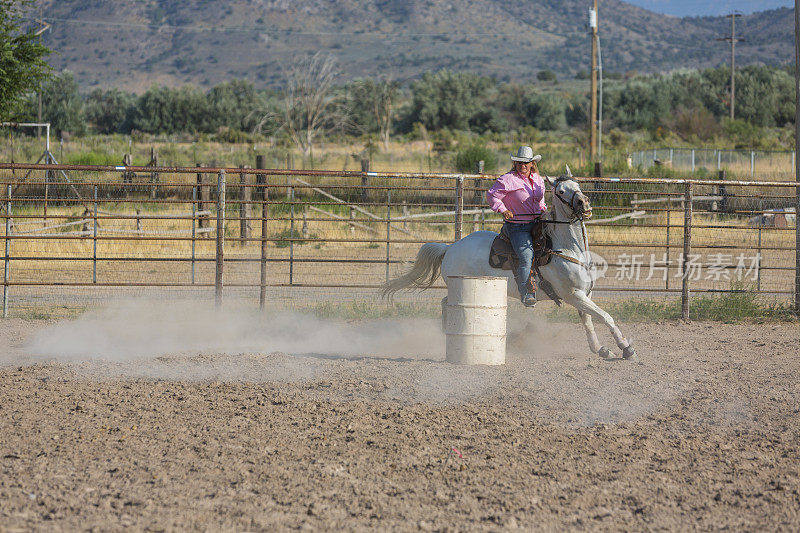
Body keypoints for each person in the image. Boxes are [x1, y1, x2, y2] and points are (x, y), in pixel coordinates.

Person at [486, 145, 547, 307]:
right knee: (526, 257)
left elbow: (540, 201)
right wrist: (503, 209)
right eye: (519, 162)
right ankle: (526, 292)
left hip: (537, 223)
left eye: (526, 162)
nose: (523, 165)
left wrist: (543, 210)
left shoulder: (538, 180)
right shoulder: (507, 179)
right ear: (515, 163)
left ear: (532, 163)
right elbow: (492, 196)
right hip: (517, 226)